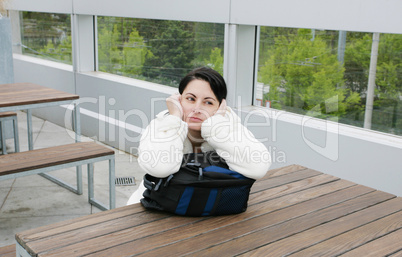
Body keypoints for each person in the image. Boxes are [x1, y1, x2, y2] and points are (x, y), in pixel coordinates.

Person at [127, 67, 271, 205]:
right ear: (179, 100)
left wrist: (216, 129)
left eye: (208, 102)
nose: (197, 109)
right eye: (190, 99)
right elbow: (160, 168)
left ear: (220, 107)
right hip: (153, 208)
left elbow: (258, 168)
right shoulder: (162, 125)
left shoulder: (228, 127)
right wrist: (175, 118)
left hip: (211, 210)